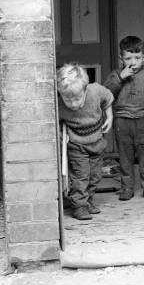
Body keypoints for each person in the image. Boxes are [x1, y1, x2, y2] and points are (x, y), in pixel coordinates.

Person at [104, 36, 144, 201]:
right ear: (121, 59)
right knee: (125, 157)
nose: (133, 62)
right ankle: (127, 188)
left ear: (143, 57)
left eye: (137, 58)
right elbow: (106, 94)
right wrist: (120, 77)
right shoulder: (115, 75)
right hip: (122, 122)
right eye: (128, 58)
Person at [57, 63, 114, 220]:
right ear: (60, 94)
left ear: (85, 89)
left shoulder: (95, 91)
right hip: (77, 145)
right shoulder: (59, 105)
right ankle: (79, 206)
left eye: (77, 99)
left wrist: (110, 117)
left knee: (95, 176)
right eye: (68, 100)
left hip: (97, 142)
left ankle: (88, 200)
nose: (73, 104)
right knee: (81, 176)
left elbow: (108, 97)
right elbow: (55, 126)